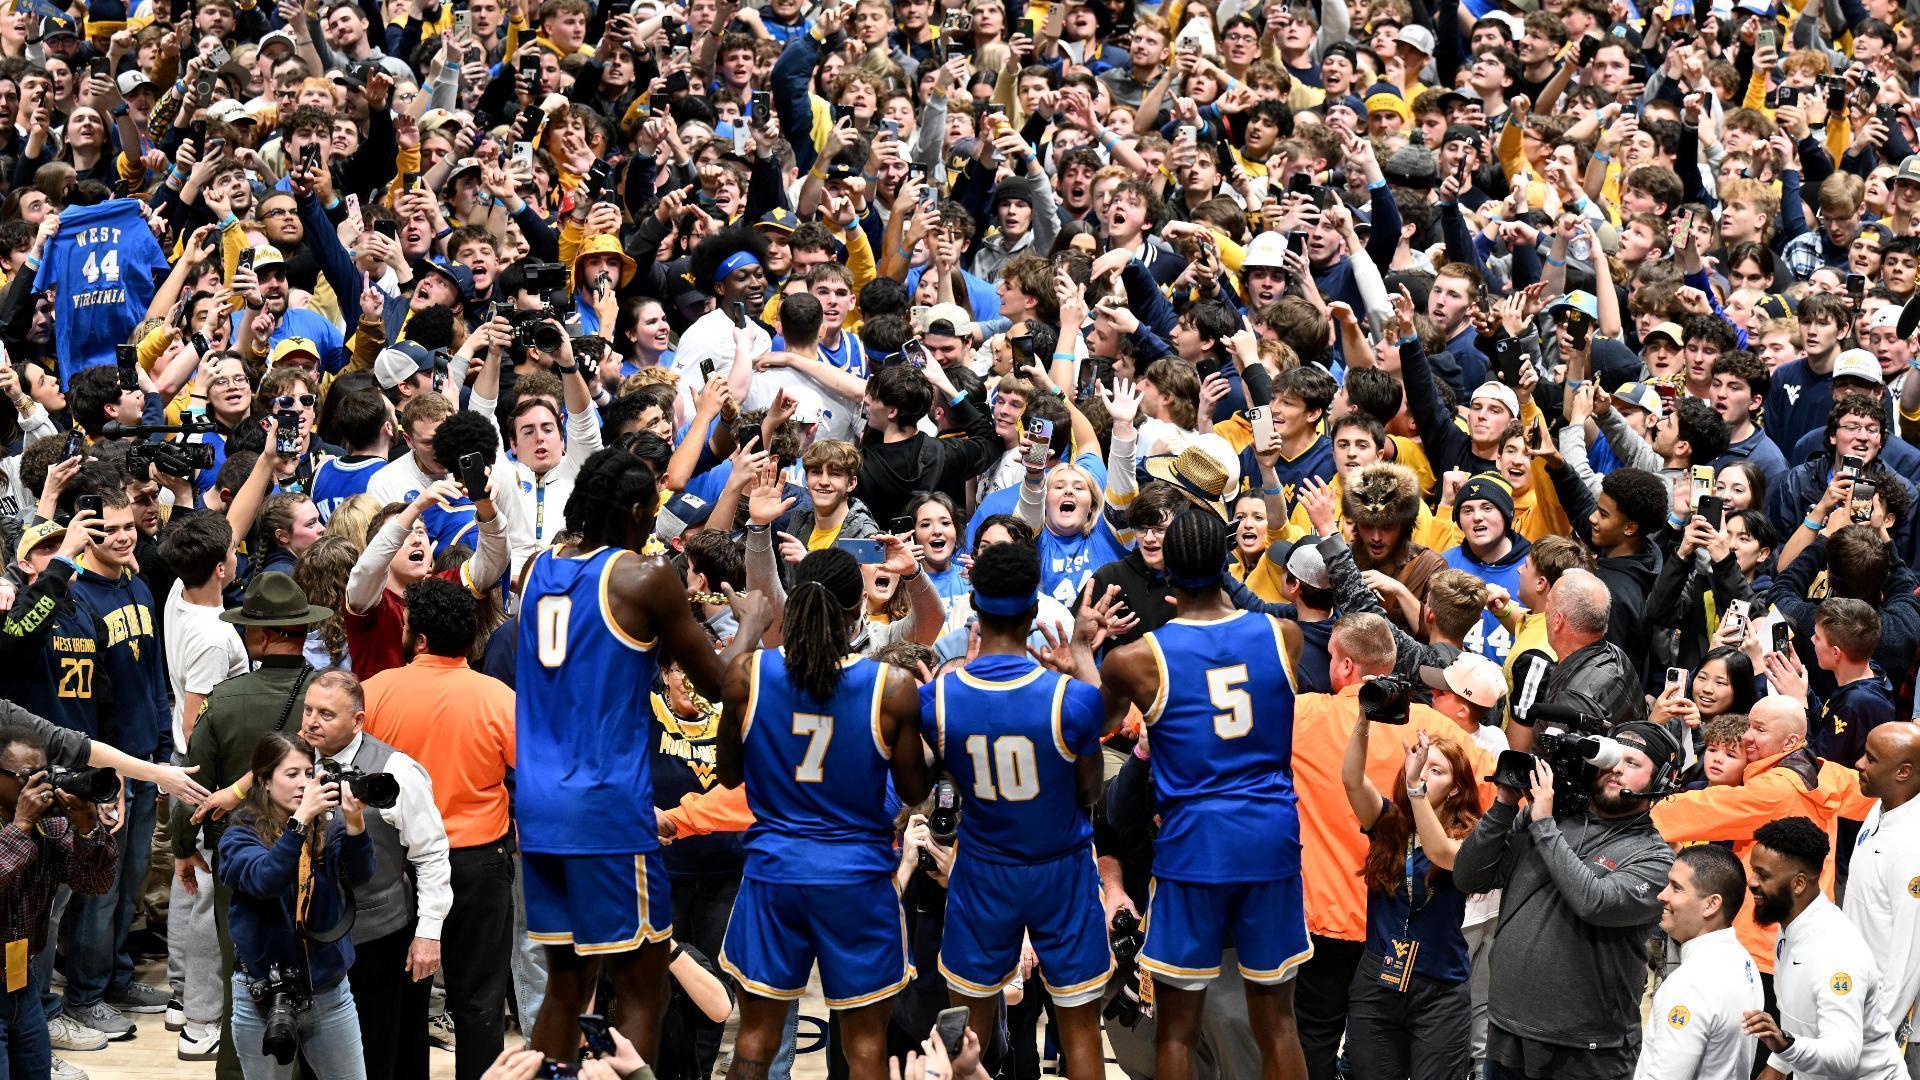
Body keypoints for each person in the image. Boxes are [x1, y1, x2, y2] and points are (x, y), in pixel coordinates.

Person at [515, 447, 771, 1069]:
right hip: (604, 806)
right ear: (634, 511)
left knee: (568, 983)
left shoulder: (535, 569)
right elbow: (721, 685)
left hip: (538, 806)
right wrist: (750, 626)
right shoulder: (641, 577)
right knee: (642, 983)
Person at [1096, 510, 1309, 1080]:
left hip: (1196, 844)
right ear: (1225, 565)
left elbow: (1096, 722)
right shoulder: (1282, 635)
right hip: (1270, 835)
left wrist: (1077, 650)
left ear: (1167, 573)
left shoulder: (1136, 659)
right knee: (1278, 1022)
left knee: (1176, 1029)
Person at [714, 546, 929, 1080]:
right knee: (864, 1050)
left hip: (774, 872)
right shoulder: (892, 687)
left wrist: (748, 629)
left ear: (793, 604)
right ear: (858, 611)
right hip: (856, 877)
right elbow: (912, 788)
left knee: (755, 1042)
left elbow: (728, 774)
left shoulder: (749, 675)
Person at [924, 542, 1111, 1079]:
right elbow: (1091, 791)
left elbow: (922, 778)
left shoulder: (939, 697)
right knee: (1078, 1032)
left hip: (984, 867)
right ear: (1034, 612)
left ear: (974, 610)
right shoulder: (1071, 698)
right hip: (1061, 867)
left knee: (971, 1032)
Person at [1452, 720, 1681, 1080]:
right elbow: (1469, 876)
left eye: (1633, 764)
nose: (1616, 768)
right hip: (1508, 1031)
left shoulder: (1655, 858)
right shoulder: (1545, 816)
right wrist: (1504, 806)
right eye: (1612, 758)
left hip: (1585, 1049)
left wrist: (1543, 825)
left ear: (1662, 782)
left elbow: (1595, 902)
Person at [172, 572, 334, 1080]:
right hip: (319, 857)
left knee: (245, 979)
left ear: (260, 637)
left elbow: (190, 784)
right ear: (301, 629)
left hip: (240, 860)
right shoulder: (332, 699)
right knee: (322, 982)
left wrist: (183, 848)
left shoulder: (224, 699)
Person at [361, 578, 514, 1080]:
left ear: (420, 639)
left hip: (397, 866)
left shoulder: (376, 693)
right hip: (478, 864)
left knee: (400, 1002)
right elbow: (533, 775)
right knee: (481, 1001)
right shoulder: (499, 699)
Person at [298, 668, 450, 1080]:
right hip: (306, 938)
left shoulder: (396, 771)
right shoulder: (291, 762)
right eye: (309, 709)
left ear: (358, 721)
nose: (311, 721)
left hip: (378, 939)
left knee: (381, 1053)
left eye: (326, 714)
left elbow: (432, 854)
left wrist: (429, 934)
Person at [217, 732, 375, 1080]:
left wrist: (354, 823)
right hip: (264, 995)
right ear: (264, 780)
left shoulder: (326, 829)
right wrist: (298, 824)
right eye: (291, 775)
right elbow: (265, 881)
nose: (303, 784)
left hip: (329, 991)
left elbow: (362, 873)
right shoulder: (239, 836)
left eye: (308, 773)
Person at [1338, 723, 1482, 1080]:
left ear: (1455, 789)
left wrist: (1416, 791)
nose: (1422, 773)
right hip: (1379, 980)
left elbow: (1441, 853)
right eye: (1419, 764)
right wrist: (1364, 717)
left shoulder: (1470, 837)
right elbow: (1352, 779)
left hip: (1439, 990)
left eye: (1437, 770)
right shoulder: (1387, 822)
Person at [1740, 817, 1906, 1080]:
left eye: (1763, 875)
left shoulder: (1835, 954)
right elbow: (1804, 1019)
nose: (1752, 882)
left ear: (1798, 884)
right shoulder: (1791, 925)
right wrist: (1778, 1066)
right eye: (1753, 870)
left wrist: (1785, 1045)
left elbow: (1844, 1054)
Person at [0, 725, 117, 1080]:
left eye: (42, 774)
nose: (36, 785)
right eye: (24, 776)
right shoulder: (29, 823)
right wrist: (20, 826)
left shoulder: (48, 825)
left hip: (22, 981)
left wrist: (87, 829)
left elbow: (95, 882)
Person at [1634, 845, 1764, 1080]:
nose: (1662, 895)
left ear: (1711, 904)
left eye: (1676, 888)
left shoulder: (1688, 986)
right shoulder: (1745, 962)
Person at [1844, 722, 1920, 1077]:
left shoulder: (1912, 847)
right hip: (1859, 1008)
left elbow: (1909, 960)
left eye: (1871, 759)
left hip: (1893, 1033)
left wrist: (1874, 1036)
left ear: (1903, 772)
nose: (1859, 763)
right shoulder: (1881, 806)